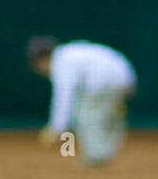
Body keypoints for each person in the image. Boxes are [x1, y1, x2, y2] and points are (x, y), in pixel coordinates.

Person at [27, 36, 136, 167]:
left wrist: (56, 128)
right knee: (104, 116)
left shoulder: (61, 62)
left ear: (42, 59)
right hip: (124, 78)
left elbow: (64, 97)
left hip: (106, 82)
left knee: (87, 116)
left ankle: (97, 156)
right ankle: (104, 152)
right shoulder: (68, 54)